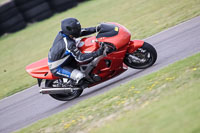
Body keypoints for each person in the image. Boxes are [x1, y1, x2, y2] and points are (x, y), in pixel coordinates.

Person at [48, 18, 104, 85]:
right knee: (80, 76)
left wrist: (98, 28)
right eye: (76, 29)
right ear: (71, 31)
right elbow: (80, 58)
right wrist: (98, 52)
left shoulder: (68, 34)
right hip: (58, 67)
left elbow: (84, 31)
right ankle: (74, 84)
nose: (79, 30)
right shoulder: (68, 44)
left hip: (66, 58)